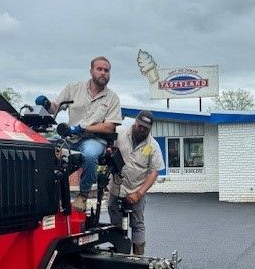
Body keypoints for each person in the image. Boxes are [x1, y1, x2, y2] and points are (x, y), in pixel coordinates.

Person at [35, 56, 122, 212]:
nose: (103, 73)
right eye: (99, 69)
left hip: (95, 140)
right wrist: (46, 104)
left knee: (89, 154)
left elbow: (109, 127)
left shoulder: (112, 98)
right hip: (70, 138)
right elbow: (55, 108)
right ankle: (46, 191)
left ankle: (83, 195)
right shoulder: (73, 88)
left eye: (106, 70)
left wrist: (83, 128)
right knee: (43, 146)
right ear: (91, 71)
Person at [107, 110, 164, 255]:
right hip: (116, 189)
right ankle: (118, 255)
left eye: (146, 128)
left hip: (136, 191)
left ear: (150, 129)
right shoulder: (119, 133)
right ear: (135, 122)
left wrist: (139, 193)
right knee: (116, 225)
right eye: (140, 125)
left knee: (137, 225)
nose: (142, 129)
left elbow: (154, 172)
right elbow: (106, 148)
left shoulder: (153, 145)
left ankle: (138, 260)